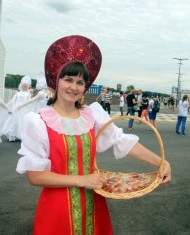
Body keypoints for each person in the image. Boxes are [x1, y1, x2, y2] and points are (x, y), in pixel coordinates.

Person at [16, 35, 171, 235]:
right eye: (68, 79)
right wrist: (81, 180)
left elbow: (122, 141)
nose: (74, 87)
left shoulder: (92, 114)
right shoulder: (37, 122)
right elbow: (35, 176)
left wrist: (161, 162)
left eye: (80, 82)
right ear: (56, 80)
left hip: (93, 203)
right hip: (57, 208)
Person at [7, 75, 32, 141]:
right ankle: (13, 135)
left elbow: (28, 102)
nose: (24, 87)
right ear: (21, 85)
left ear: (27, 86)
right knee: (15, 122)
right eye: (23, 86)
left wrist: (22, 107)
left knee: (22, 122)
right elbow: (12, 101)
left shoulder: (28, 94)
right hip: (16, 109)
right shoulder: (17, 93)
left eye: (25, 86)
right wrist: (6, 106)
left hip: (24, 109)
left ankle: (21, 135)